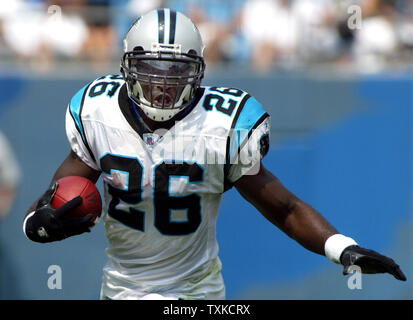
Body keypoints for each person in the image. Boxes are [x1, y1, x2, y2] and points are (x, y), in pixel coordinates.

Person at [22, 8, 406, 300]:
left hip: (196, 293)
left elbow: (284, 208)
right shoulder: (97, 112)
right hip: (123, 291)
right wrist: (38, 223)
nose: (162, 89)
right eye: (151, 72)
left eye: (175, 75)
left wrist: (343, 248)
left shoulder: (221, 125)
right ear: (128, 68)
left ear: (198, 73)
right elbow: (53, 197)